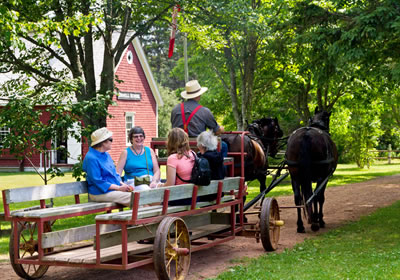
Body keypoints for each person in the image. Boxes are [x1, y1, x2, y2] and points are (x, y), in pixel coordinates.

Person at [170, 80, 228, 157]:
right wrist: (221, 129)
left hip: (178, 147)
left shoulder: (175, 110)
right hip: (198, 148)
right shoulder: (204, 111)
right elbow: (216, 131)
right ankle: (219, 169)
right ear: (198, 95)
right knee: (223, 145)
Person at [82, 127, 132, 207]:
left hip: (112, 190)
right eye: (110, 140)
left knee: (140, 196)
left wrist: (122, 185)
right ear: (103, 142)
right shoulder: (91, 158)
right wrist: (118, 188)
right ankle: (150, 218)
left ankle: (153, 218)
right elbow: (98, 181)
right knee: (134, 198)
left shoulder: (106, 155)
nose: (112, 142)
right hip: (99, 193)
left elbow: (114, 174)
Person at [116, 126, 161, 190]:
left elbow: (156, 170)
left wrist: (154, 181)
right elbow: (118, 173)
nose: (139, 138)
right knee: (145, 189)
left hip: (150, 180)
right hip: (133, 182)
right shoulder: (125, 153)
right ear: (131, 139)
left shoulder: (149, 151)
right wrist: (121, 185)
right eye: (136, 137)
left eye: (141, 136)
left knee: (163, 189)